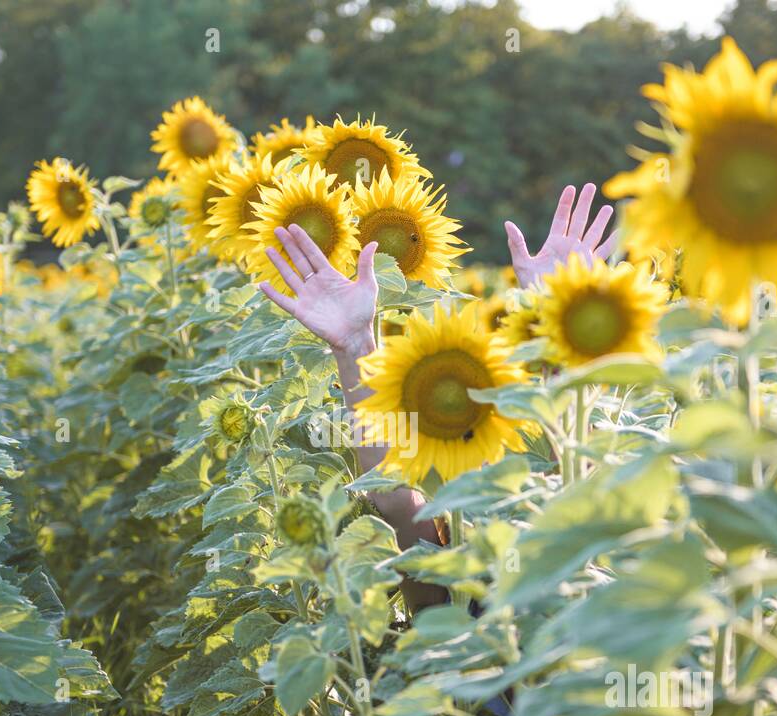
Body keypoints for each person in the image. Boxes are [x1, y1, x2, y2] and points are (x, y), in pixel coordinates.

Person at [257, 184, 618, 611]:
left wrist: (563, 320)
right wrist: (354, 348)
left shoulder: (589, 559)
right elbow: (391, 495)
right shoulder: (453, 576)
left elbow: (575, 468)